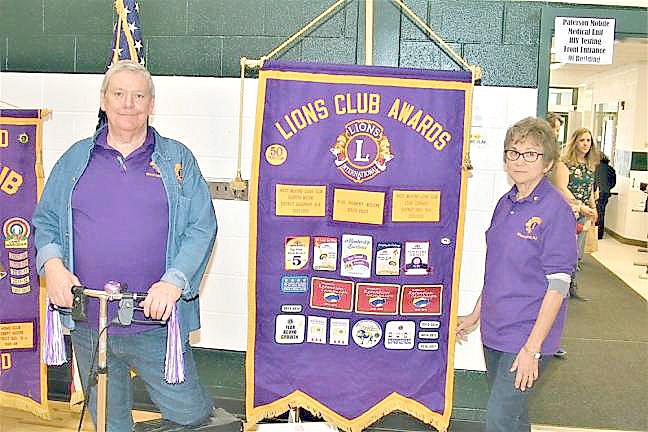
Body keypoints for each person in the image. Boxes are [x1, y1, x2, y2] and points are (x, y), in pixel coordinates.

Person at [33, 60, 240, 431]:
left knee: (193, 418)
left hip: (154, 322)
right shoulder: (76, 159)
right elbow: (46, 221)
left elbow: (201, 226)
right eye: (119, 94)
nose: (128, 103)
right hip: (89, 321)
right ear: (103, 101)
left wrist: (174, 281)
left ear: (150, 103)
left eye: (138, 95)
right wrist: (53, 265)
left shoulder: (177, 160)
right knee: (110, 422)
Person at [456, 117, 577, 432]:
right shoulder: (505, 204)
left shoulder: (556, 210)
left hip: (525, 335)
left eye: (530, 154)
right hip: (494, 331)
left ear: (547, 162)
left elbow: (559, 286)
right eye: (513, 152)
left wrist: (532, 348)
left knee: (499, 420)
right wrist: (475, 314)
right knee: (514, 418)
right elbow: (498, 269)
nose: (519, 161)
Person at [551, 128, 599, 301]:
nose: (586, 144)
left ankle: (571, 284)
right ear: (574, 142)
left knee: (577, 253)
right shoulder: (564, 164)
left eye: (588, 141)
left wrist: (593, 209)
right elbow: (562, 188)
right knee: (565, 250)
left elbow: (590, 189)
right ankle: (558, 286)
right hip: (568, 212)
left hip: (584, 212)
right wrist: (580, 206)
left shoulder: (590, 166)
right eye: (582, 140)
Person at [595, 153, 616, 239]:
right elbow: (613, 183)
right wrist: (607, 188)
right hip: (605, 193)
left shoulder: (595, 167)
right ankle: (600, 234)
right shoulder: (610, 169)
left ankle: (594, 233)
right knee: (601, 212)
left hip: (597, 192)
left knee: (595, 212)